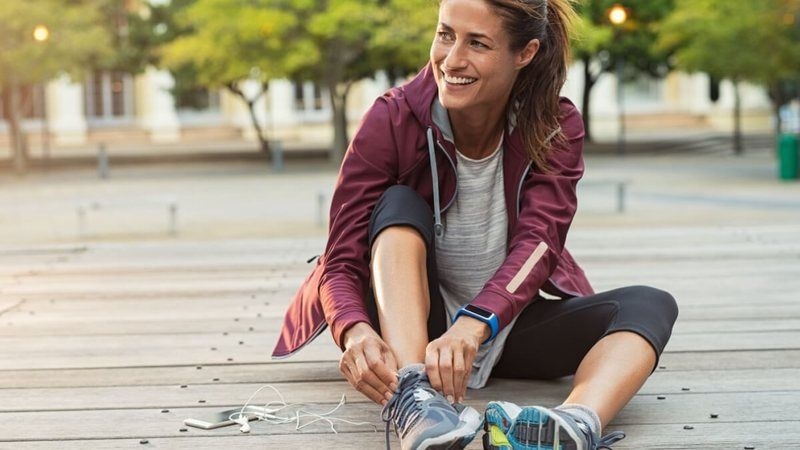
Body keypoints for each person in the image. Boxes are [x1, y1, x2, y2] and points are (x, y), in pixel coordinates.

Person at [272, 0, 679, 449]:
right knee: (398, 204)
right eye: (445, 34)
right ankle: (417, 399)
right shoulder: (391, 119)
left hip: (502, 327)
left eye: (477, 43)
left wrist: (475, 323)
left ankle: (574, 426)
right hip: (414, 333)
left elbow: (540, 244)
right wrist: (354, 328)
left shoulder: (554, 126)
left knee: (649, 305)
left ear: (524, 53)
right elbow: (340, 257)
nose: (452, 59)